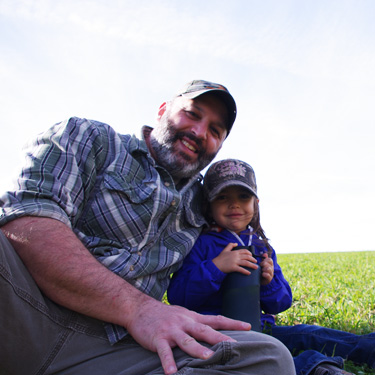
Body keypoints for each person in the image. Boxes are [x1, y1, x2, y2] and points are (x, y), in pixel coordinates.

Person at [0, 80, 296, 375]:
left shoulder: (203, 202)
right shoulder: (91, 137)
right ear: (162, 110)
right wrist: (138, 309)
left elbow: (274, 294)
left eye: (215, 131)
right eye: (193, 114)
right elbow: (28, 216)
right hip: (23, 309)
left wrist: (262, 272)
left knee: (271, 360)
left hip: (118, 350)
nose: (199, 132)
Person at [168, 158, 375, 375]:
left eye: (244, 196)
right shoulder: (201, 243)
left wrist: (268, 281)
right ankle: (319, 368)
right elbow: (178, 296)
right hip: (216, 334)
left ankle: (368, 348)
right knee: (264, 358)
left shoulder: (260, 244)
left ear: (255, 204)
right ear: (208, 205)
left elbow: (281, 302)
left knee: (309, 335)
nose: (234, 204)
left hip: (262, 328)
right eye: (222, 197)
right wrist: (216, 267)